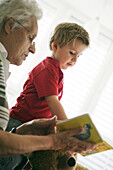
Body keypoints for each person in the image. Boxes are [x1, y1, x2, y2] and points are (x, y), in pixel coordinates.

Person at [0, 0, 95, 169]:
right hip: (19, 122)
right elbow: (53, 103)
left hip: (31, 127)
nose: (74, 60)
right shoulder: (47, 68)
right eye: (72, 53)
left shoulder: (57, 73)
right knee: (8, 163)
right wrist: (70, 130)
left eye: (78, 56)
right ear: (55, 46)